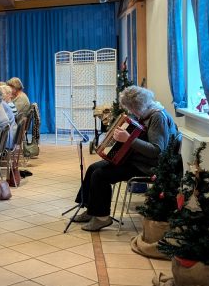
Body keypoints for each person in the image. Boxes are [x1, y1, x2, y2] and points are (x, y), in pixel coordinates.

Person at [73, 86, 178, 231]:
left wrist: (128, 140)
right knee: (93, 168)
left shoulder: (156, 117)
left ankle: (102, 217)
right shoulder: (145, 114)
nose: (130, 112)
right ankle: (91, 210)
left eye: (131, 108)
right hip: (137, 160)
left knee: (100, 175)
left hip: (148, 166)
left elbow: (157, 151)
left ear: (138, 106)